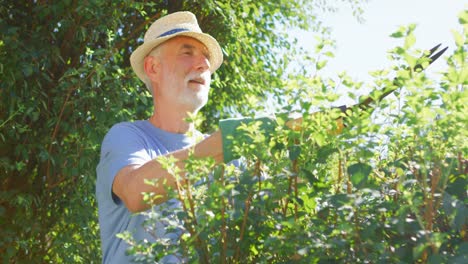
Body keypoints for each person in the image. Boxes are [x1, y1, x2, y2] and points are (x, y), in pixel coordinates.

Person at [96, 11, 227, 263]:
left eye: (206, 58)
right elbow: (136, 192)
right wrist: (226, 144)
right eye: (187, 52)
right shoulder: (127, 137)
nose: (204, 64)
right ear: (153, 67)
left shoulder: (229, 158)